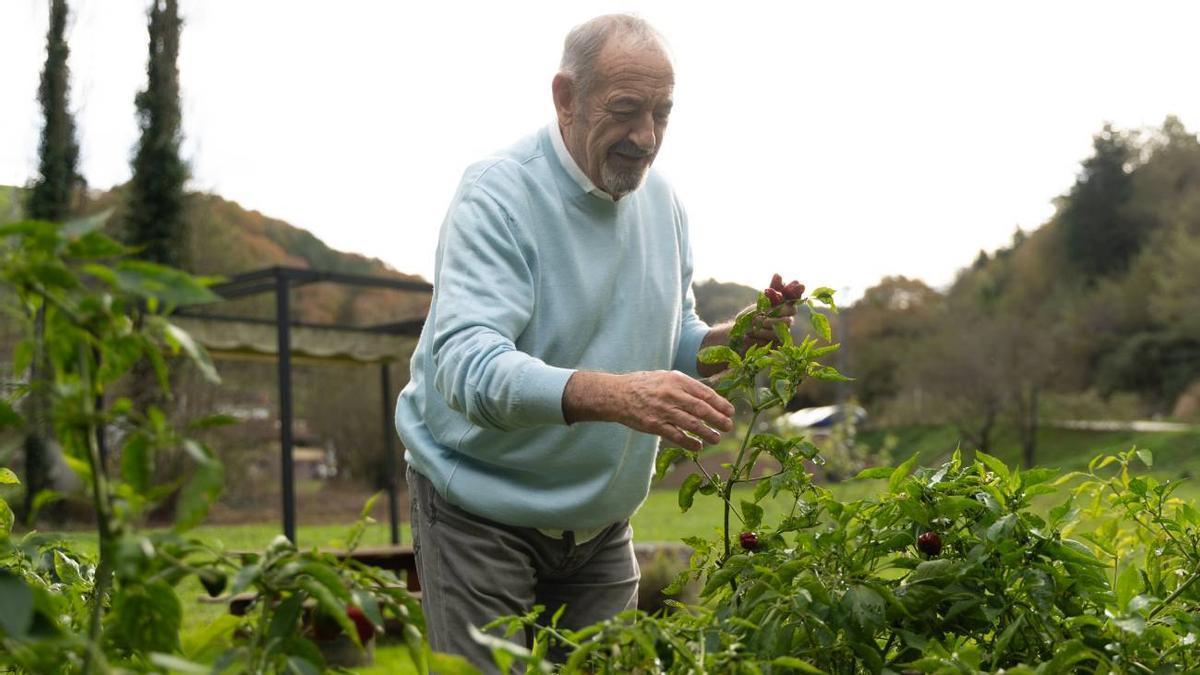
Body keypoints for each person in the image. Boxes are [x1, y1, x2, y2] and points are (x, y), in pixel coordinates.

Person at [394, 13, 792, 669]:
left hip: (601, 524)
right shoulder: (499, 194)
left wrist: (731, 341)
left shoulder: (664, 205)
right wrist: (618, 396)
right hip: (479, 509)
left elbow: (671, 339)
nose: (646, 137)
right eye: (626, 110)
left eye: (662, 114)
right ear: (566, 98)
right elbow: (467, 369)